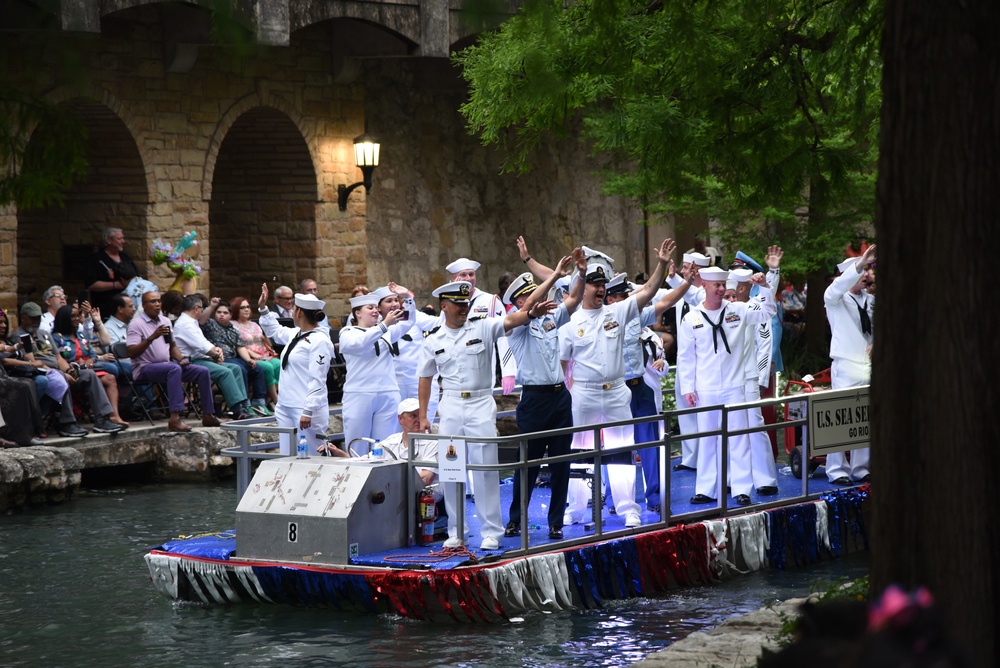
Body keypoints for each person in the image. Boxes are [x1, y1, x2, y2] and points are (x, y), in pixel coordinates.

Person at [417, 276, 554, 551]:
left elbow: (513, 320)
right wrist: (423, 416)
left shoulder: (483, 326)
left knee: (485, 469)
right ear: (444, 306)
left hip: (480, 403)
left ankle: (491, 530)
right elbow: (425, 377)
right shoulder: (433, 339)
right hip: (451, 405)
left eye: (466, 303)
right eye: (458, 304)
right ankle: (457, 530)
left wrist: (530, 312)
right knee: (451, 469)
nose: (464, 308)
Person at [558, 238, 677, 529]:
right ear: (582, 286)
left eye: (603, 285)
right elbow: (563, 366)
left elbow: (649, 290)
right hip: (583, 394)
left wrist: (661, 264)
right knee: (579, 452)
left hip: (616, 392)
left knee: (622, 451)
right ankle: (576, 509)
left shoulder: (617, 312)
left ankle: (628, 508)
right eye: (594, 284)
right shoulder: (569, 325)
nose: (600, 289)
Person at [677, 266, 777, 507]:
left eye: (724, 285)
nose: (722, 289)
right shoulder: (692, 318)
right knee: (708, 439)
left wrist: (764, 287)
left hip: (735, 386)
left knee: (739, 438)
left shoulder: (739, 310)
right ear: (705, 286)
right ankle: (706, 489)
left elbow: (768, 311)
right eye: (717, 285)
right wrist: (688, 388)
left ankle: (742, 488)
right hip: (706, 388)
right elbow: (686, 357)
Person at [501, 251, 582, 540]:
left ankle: (555, 522)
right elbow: (531, 307)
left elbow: (572, 301)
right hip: (534, 401)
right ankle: (515, 519)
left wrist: (581, 274)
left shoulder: (549, 320)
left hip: (559, 398)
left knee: (561, 463)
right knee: (528, 464)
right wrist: (555, 276)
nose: (536, 301)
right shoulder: (514, 325)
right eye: (529, 297)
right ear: (520, 302)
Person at [603, 269, 693, 515]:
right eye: (622, 295)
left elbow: (665, 302)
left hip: (639, 387)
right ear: (611, 299)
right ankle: (614, 499)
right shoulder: (600, 319)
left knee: (650, 445)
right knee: (616, 448)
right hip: (616, 389)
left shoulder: (636, 318)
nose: (628, 299)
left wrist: (688, 283)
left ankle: (655, 497)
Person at [16, 302, 119, 436]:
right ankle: (67, 423)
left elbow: (59, 358)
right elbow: (33, 362)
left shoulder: (44, 334)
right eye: (32, 318)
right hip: (42, 373)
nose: (36, 321)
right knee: (61, 378)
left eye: (38, 318)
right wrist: (62, 373)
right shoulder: (20, 336)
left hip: (59, 369)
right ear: (23, 318)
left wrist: (69, 371)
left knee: (89, 374)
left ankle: (102, 418)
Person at [126, 291, 220, 432]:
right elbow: (132, 352)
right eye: (153, 301)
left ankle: (208, 415)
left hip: (167, 365)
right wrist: (152, 337)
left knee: (202, 371)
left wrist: (181, 359)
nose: (157, 304)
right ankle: (175, 418)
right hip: (145, 368)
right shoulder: (136, 324)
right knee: (173, 369)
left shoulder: (165, 321)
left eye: (159, 301)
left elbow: (172, 346)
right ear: (144, 305)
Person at [257, 285, 334, 456]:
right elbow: (275, 331)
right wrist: (263, 308)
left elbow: (318, 378)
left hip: (304, 407)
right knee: (287, 456)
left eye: (294, 309)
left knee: (312, 457)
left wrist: (308, 410)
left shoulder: (320, 340)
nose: (292, 312)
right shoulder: (297, 334)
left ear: (298, 312)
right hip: (286, 404)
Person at [824, 244, 876, 485]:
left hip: (867, 364)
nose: (866, 274)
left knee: (865, 418)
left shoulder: (872, 301)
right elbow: (835, 289)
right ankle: (837, 469)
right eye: (861, 270)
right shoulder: (835, 299)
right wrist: (858, 264)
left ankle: (861, 467)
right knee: (840, 418)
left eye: (867, 269)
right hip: (845, 364)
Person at [725, 269, 779, 496]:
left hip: (748, 378)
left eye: (732, 294)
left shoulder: (754, 307)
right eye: (726, 295)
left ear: (742, 288)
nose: (729, 299)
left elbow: (765, 345)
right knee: (729, 429)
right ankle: (730, 477)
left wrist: (761, 377)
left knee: (755, 426)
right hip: (726, 381)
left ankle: (765, 478)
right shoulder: (718, 310)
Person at [338, 287, 409, 447]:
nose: (376, 311)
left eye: (377, 308)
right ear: (358, 313)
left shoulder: (386, 331)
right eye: (370, 308)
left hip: (387, 391)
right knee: (358, 444)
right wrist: (384, 325)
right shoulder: (348, 332)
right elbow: (360, 343)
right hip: (360, 393)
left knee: (385, 446)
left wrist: (408, 298)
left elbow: (409, 322)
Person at [172, 294, 253, 420]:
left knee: (235, 368)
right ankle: (238, 411)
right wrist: (216, 355)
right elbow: (201, 346)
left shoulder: (191, 322)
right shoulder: (185, 324)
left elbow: (203, 342)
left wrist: (217, 350)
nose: (203, 311)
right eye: (202, 309)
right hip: (191, 362)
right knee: (225, 372)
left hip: (203, 358)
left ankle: (243, 406)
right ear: (196, 309)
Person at [664, 252, 710, 472]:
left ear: (697, 270)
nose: (682, 271)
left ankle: (706, 458)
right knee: (685, 412)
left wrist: (675, 279)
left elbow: (694, 295)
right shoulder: (684, 294)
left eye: (685, 268)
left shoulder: (705, 295)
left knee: (701, 412)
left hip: (701, 365)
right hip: (684, 362)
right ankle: (690, 458)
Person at [445, 257, 518, 394]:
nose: (468, 278)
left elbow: (504, 337)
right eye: (463, 275)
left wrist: (508, 371)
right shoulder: (447, 301)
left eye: (471, 274)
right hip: (455, 368)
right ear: (454, 278)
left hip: (482, 368)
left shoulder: (490, 300)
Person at [51, 305, 129, 429]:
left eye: (78, 315)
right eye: (73, 316)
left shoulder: (81, 336)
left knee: (110, 378)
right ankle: (101, 418)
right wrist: (74, 364)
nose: (77, 319)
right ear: (64, 318)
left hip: (88, 369)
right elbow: (57, 359)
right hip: (72, 373)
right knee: (95, 377)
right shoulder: (56, 338)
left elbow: (92, 354)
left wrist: (90, 361)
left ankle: (114, 416)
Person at [201, 300, 271, 416]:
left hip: (234, 358)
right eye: (219, 312)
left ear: (230, 315)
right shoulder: (211, 325)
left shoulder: (234, 330)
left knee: (257, 369)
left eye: (225, 313)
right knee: (241, 369)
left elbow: (240, 347)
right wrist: (212, 306)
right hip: (220, 359)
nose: (221, 315)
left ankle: (259, 402)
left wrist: (249, 359)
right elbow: (201, 320)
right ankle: (245, 403)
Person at [230, 295, 280, 409]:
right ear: (236, 309)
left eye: (248, 307)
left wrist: (270, 351)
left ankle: (269, 398)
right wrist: (257, 357)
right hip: (248, 357)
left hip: (264, 354)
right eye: (242, 308)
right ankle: (275, 399)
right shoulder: (233, 326)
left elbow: (264, 341)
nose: (247, 309)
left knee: (278, 364)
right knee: (267, 367)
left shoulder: (255, 324)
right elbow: (238, 346)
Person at [84, 227, 138, 316]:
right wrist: (115, 285)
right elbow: (90, 284)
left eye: (123, 238)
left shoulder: (126, 258)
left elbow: (136, 277)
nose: (123, 241)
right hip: (105, 308)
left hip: (128, 309)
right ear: (109, 240)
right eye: (119, 239)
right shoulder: (96, 259)